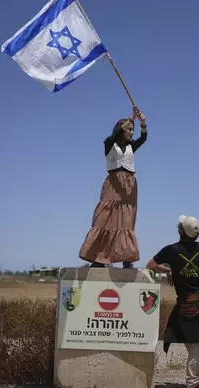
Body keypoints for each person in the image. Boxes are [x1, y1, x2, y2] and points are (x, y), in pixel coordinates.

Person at [145, 215, 199, 388]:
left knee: (195, 343)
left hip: (186, 305)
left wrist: (170, 269)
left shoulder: (170, 251)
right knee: (193, 341)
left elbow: (150, 265)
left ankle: (193, 385)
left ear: (180, 231)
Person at [79, 106, 148, 268]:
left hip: (130, 185)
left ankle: (127, 258)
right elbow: (116, 134)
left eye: (133, 129)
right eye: (129, 129)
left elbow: (143, 138)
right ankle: (98, 258)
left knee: (126, 220)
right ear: (121, 129)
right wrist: (132, 117)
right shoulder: (109, 143)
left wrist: (143, 123)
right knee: (104, 217)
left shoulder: (132, 146)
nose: (132, 132)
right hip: (113, 182)